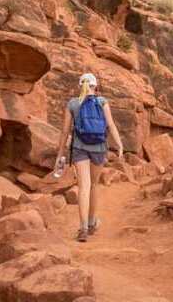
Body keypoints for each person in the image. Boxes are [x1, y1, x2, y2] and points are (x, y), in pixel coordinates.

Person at [57, 72, 124, 242]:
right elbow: (111, 125)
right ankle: (92, 222)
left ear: (80, 85)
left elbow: (65, 131)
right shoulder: (102, 102)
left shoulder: (73, 103)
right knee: (94, 185)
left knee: (83, 187)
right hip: (98, 149)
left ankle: (83, 229)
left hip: (79, 149)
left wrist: (60, 154)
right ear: (96, 86)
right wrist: (119, 145)